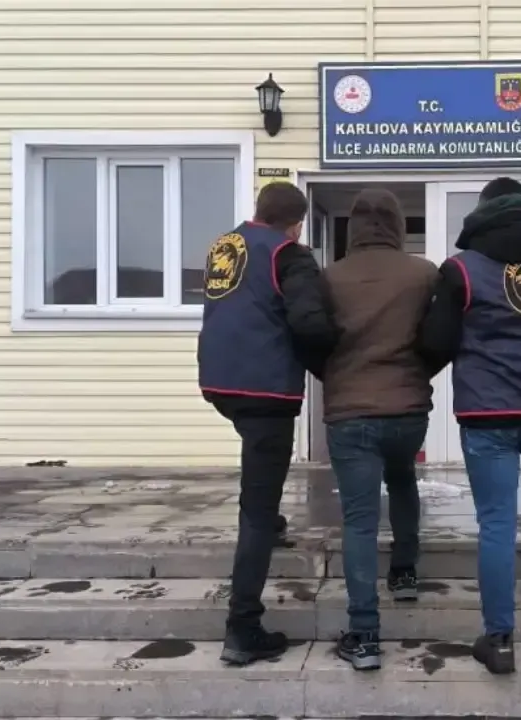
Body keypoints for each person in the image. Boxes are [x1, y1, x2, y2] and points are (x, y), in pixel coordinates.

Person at [418, 177, 521, 675]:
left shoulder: (462, 270)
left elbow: (437, 342)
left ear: (484, 213)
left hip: (488, 413)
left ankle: (500, 638)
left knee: (497, 521)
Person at [197, 181, 339, 666]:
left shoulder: (225, 245)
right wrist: (336, 369)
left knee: (260, 475)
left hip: (220, 382)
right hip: (265, 390)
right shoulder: (290, 255)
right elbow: (310, 324)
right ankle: (243, 628)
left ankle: (270, 518)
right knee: (256, 510)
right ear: (297, 224)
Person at [319, 188, 439, 671]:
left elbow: (312, 336)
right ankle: (405, 573)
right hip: (408, 409)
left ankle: (365, 635)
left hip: (350, 411)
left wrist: (333, 377)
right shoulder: (424, 274)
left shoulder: (329, 277)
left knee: (360, 520)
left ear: (352, 227)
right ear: (398, 225)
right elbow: (439, 336)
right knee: (404, 479)